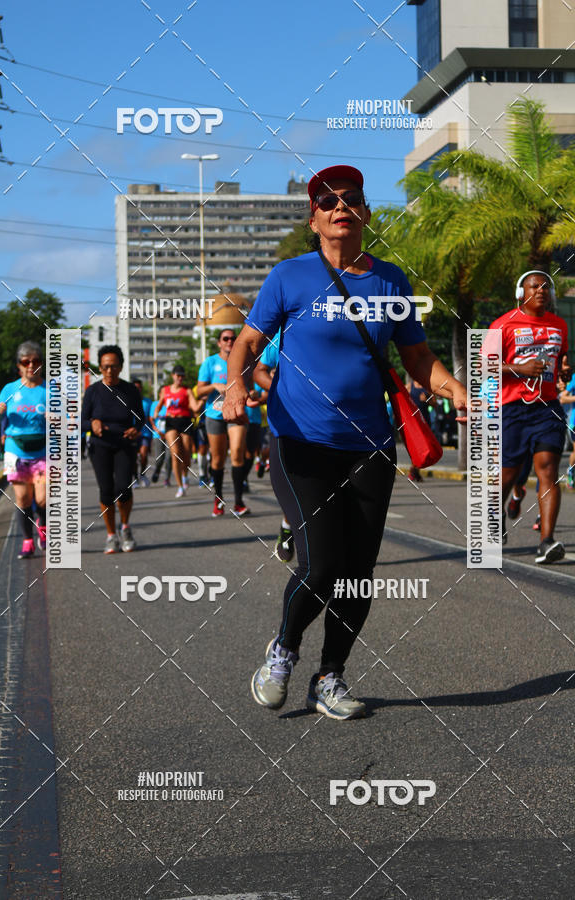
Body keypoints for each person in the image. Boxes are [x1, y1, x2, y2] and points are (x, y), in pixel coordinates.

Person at [224, 164, 467, 719]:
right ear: (314, 220)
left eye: (351, 198)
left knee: (358, 576)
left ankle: (330, 677)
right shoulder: (289, 277)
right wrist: (236, 385)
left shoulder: (390, 281)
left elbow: (417, 357)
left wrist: (454, 387)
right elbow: (249, 340)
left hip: (370, 448)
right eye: (328, 201)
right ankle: (283, 650)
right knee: (320, 565)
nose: (340, 207)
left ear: (365, 213)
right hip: (300, 441)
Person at [494, 271, 570, 563]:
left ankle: (547, 542)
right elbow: (484, 366)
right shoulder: (503, 324)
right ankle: (496, 518)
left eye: (546, 286)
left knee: (548, 469)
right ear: (520, 292)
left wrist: (564, 370)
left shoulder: (559, 325)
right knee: (510, 473)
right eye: (535, 286)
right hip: (512, 408)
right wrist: (519, 369)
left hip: (548, 406)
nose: (541, 290)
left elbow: (562, 359)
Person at [82, 345, 144, 553]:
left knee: (123, 488)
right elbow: (81, 421)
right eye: (106, 367)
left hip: (125, 445)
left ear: (121, 367)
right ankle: (111, 535)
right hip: (100, 446)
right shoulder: (93, 391)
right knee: (106, 491)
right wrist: (93, 424)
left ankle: (125, 527)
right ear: (100, 367)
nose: (110, 371)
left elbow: (141, 419)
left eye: (114, 366)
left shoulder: (130, 390)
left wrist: (136, 430)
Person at [0, 341, 47, 559]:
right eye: (26, 361)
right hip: (16, 450)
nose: (31, 365)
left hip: (43, 451)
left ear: (41, 364)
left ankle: (42, 528)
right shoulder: (10, 389)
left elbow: (67, 421)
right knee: (23, 500)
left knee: (42, 499)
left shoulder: (49, 390)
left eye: (35, 361)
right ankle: (27, 541)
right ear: (19, 365)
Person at [197, 329, 250, 517]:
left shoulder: (243, 361)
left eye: (233, 338)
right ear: (219, 343)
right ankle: (218, 500)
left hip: (236, 413)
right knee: (218, 459)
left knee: (237, 453)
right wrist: (213, 386)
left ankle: (238, 502)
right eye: (225, 338)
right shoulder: (210, 362)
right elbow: (199, 391)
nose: (230, 341)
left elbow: (251, 385)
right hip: (215, 415)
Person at [254, 331, 296, 563]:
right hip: (289, 421)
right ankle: (287, 527)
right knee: (294, 484)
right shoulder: (282, 334)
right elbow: (259, 371)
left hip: (337, 421)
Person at [154, 366, 201, 498]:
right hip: (171, 422)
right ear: (173, 376)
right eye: (177, 375)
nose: (180, 378)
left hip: (185, 421)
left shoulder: (187, 391)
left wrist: (202, 401)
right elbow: (159, 404)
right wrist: (157, 412)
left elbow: (194, 406)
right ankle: (180, 486)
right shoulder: (165, 390)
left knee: (186, 454)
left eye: (182, 376)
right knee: (175, 454)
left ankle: (185, 476)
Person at [132, 379, 152, 488]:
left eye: (139, 388)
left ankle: (143, 474)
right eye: (135, 387)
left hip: (145, 433)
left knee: (144, 454)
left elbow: (150, 418)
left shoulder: (148, 402)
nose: (137, 390)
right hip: (133, 433)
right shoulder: (128, 401)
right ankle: (135, 477)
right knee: (134, 457)